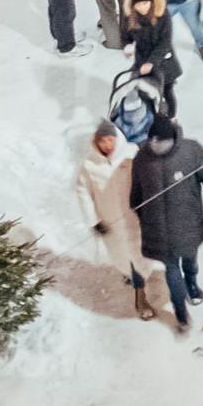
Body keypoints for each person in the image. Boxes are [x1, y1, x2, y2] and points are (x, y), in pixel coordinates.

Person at [129, 117, 203, 331]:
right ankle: (188, 295)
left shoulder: (186, 152)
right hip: (172, 227)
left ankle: (182, 310)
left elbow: (134, 199)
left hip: (180, 224)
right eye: (154, 142)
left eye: (160, 142)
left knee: (178, 265)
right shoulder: (147, 158)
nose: (157, 146)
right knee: (179, 264)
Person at [75, 122, 146, 315]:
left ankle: (142, 283)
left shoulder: (132, 154)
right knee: (120, 252)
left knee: (140, 249)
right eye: (102, 141)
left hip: (134, 216)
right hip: (110, 220)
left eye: (110, 140)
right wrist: (93, 221)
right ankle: (130, 274)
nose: (107, 145)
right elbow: (82, 193)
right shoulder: (89, 166)